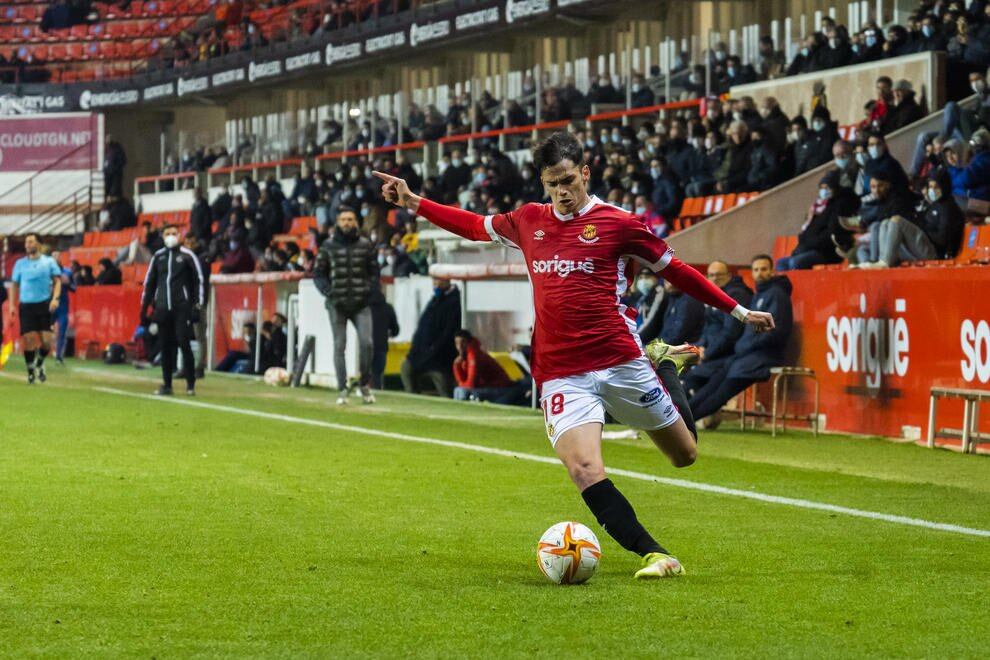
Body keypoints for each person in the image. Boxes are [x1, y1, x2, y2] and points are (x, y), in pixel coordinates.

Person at [373, 131, 773, 579]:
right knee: (583, 467)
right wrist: (412, 201)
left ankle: (663, 365)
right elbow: (472, 224)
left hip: (620, 360)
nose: (561, 191)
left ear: (584, 173)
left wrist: (738, 310)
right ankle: (654, 554)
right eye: (551, 183)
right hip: (561, 372)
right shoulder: (528, 220)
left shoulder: (619, 223)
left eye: (567, 180)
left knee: (685, 456)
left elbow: (677, 272)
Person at [688, 256, 792, 427]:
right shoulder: (760, 294)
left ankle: (686, 422)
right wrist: (743, 347)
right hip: (743, 355)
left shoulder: (777, 295)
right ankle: (679, 419)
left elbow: (777, 333)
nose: (760, 274)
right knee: (712, 385)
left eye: (764, 269)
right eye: (756, 270)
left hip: (762, 357)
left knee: (720, 393)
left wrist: (746, 345)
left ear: (772, 271)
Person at [313, 206, 378, 405]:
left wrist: (369, 291)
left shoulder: (366, 245)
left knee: (367, 344)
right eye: (344, 219)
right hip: (337, 304)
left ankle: (364, 384)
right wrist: (328, 292)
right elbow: (318, 274)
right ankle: (342, 388)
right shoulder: (328, 246)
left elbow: (374, 272)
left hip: (361, 303)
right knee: (339, 345)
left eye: (350, 219)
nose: (347, 223)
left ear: (356, 222)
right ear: (338, 223)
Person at [140, 224, 205, 396]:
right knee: (165, 346)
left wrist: (197, 305)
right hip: (162, 308)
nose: (171, 236)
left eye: (174, 233)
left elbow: (199, 280)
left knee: (183, 342)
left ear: (179, 235)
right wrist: (145, 306)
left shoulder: (187, 255)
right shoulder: (158, 257)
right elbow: (150, 283)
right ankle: (167, 384)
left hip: (181, 308)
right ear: (162, 236)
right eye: (168, 233)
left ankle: (190, 384)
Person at [681, 261, 753, 397]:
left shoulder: (736, 295)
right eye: (711, 275)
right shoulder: (714, 295)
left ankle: (692, 415)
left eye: (719, 275)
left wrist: (707, 353)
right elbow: (708, 328)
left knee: (689, 379)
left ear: (729, 276)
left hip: (727, 355)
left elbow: (731, 332)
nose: (714, 278)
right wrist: (699, 348)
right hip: (712, 352)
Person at [8, 234, 62, 384]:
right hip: (26, 305)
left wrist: (55, 298)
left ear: (38, 244)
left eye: (30, 241)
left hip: (44, 304)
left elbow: (57, 281)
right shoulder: (20, 264)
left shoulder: (49, 262)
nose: (27, 244)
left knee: (46, 341)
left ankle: (39, 363)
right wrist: (12, 305)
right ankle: (31, 371)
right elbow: (14, 285)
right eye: (26, 242)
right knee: (29, 339)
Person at [399, 277, 461, 397]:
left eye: (439, 281)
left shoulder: (454, 303)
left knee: (444, 389)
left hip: (439, 359)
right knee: (406, 368)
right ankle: (414, 403)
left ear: (447, 281)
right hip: (420, 354)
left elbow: (448, 334)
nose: (436, 284)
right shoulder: (434, 301)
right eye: (434, 281)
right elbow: (422, 327)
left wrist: (433, 350)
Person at [452, 330, 519, 403]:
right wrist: (457, 366)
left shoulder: (473, 355)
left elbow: (471, 384)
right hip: (488, 387)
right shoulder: (464, 358)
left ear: (468, 343)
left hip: (500, 388)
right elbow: (462, 381)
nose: (459, 346)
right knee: (458, 390)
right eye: (457, 343)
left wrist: (461, 384)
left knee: (462, 391)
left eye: (463, 342)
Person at [369, 289, 399, 389]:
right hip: (381, 346)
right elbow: (396, 330)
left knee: (366, 373)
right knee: (377, 374)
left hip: (366, 345)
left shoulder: (365, 308)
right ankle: (377, 392)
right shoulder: (388, 308)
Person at [51, 252, 74, 364]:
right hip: (49, 305)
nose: (56, 259)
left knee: (62, 331)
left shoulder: (67, 272)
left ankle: (59, 356)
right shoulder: (45, 272)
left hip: (63, 306)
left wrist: (68, 283)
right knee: (43, 329)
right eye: (53, 257)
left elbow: (74, 288)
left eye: (58, 256)